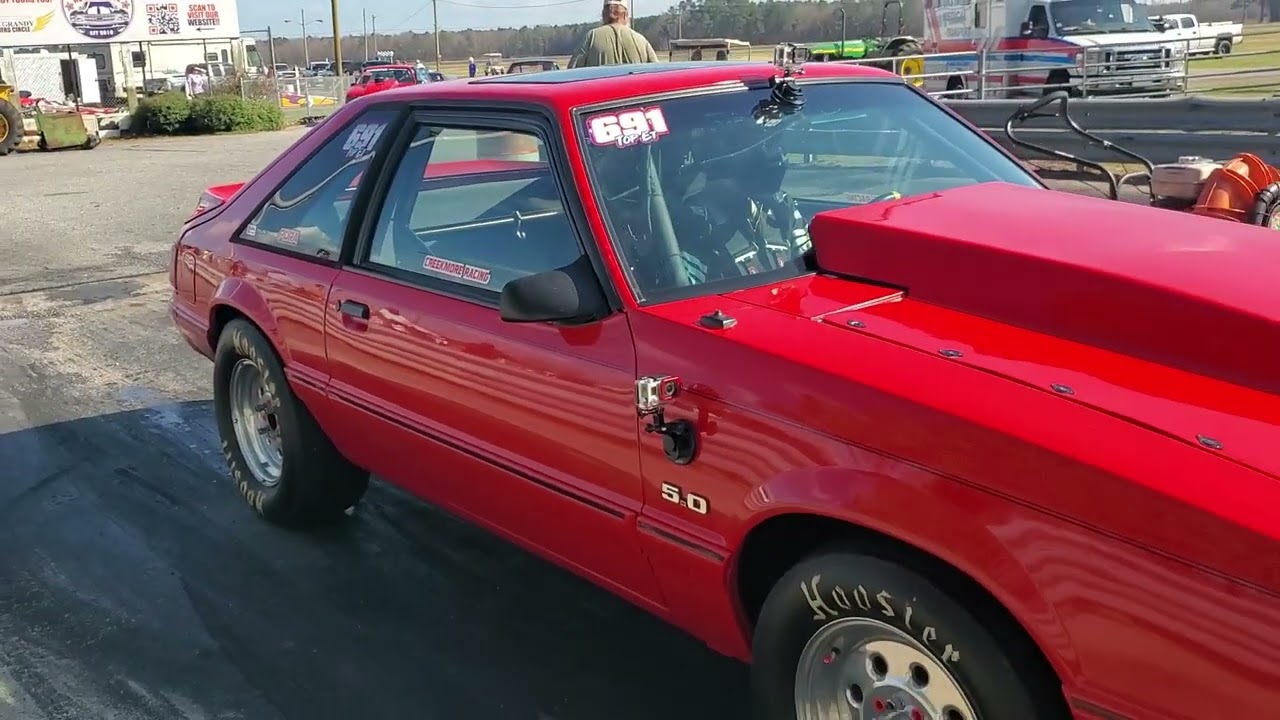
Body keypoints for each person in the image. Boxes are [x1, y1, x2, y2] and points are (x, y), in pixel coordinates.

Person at [568, 0, 658, 69]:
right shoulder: (641, 40)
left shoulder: (591, 37)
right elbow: (657, 72)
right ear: (625, 15)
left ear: (603, 14)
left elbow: (571, 72)